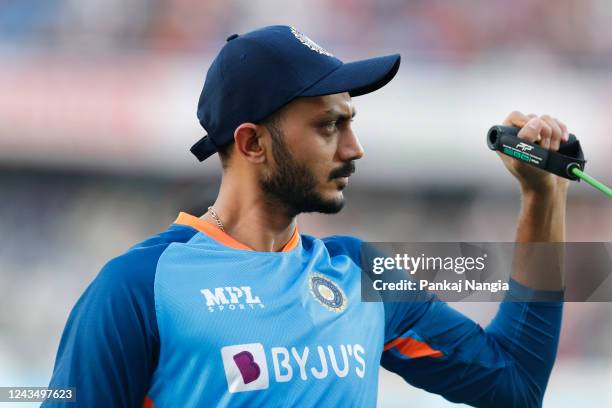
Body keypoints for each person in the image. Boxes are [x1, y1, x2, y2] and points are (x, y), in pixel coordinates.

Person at [44, 25, 567, 407]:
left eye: (350, 123)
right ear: (252, 143)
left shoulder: (360, 274)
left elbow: (515, 383)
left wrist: (543, 200)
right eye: (328, 127)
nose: (354, 148)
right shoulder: (137, 287)